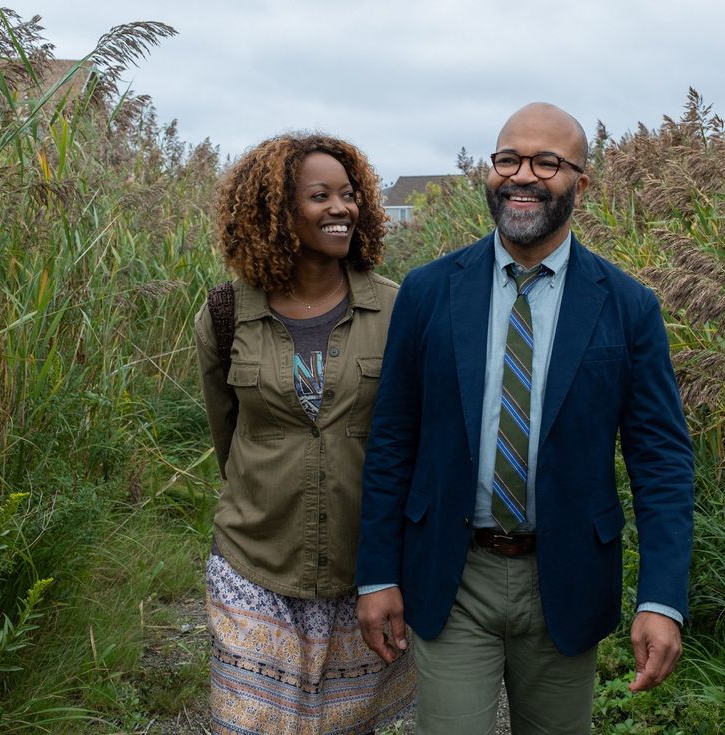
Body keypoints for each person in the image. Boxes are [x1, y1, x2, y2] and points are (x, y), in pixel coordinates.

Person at [355, 103, 694, 734]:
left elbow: (662, 461)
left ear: (580, 184)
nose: (523, 175)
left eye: (547, 162)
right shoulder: (429, 292)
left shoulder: (626, 307)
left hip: (565, 575)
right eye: (508, 158)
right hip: (453, 574)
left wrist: (662, 598)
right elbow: (393, 438)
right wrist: (376, 573)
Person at [195, 133, 415, 735]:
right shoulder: (225, 313)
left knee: (346, 726)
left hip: (361, 569)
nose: (340, 208)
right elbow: (228, 433)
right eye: (320, 196)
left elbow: (412, 441)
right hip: (254, 561)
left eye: (349, 195)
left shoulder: (399, 311)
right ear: (275, 211)